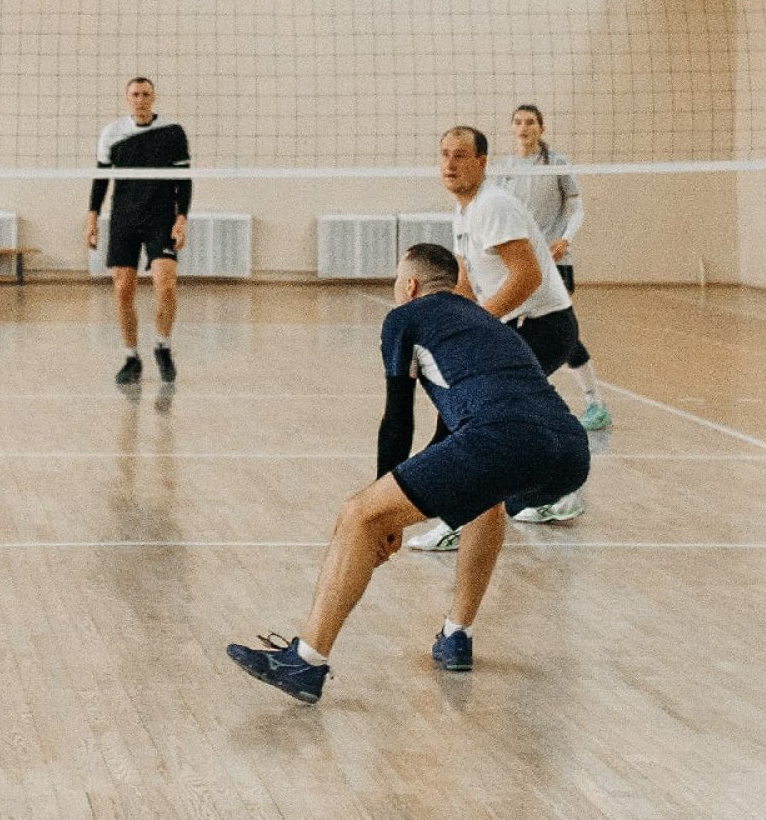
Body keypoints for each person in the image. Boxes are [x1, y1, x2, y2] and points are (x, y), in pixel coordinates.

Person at [223, 242, 590, 703]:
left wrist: (384, 516)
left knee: (358, 514)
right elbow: (452, 440)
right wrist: (400, 505)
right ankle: (456, 634)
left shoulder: (405, 319)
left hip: (503, 436)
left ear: (410, 285)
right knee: (484, 494)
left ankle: (306, 662)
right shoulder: (487, 323)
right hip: (569, 450)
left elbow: (398, 420)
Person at [406, 126, 596, 551]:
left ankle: (457, 515)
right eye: (444, 155)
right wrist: (443, 327)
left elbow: (527, 275)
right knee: (493, 414)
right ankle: (553, 493)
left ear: (482, 162)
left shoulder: (493, 205)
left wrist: (478, 326)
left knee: (473, 416)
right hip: (519, 325)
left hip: (544, 325)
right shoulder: (464, 211)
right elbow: (467, 282)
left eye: (460, 155)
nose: (450, 164)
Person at [495, 104, 610, 431]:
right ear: (511, 127)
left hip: (556, 262)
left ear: (540, 128)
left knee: (562, 333)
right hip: (520, 263)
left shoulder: (556, 163)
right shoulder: (504, 169)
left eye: (530, 122)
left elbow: (577, 208)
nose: (523, 127)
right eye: (517, 121)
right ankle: (528, 402)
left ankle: (594, 403)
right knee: (513, 334)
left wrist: (565, 240)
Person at [84, 77, 192, 385]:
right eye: (135, 94)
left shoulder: (172, 132)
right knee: (123, 289)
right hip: (124, 220)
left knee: (166, 284)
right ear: (126, 98)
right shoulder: (112, 133)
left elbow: (185, 179)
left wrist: (182, 217)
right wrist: (92, 218)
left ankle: (162, 345)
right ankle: (131, 357)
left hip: (161, 217)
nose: (141, 99)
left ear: (154, 97)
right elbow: (100, 179)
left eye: (146, 94)